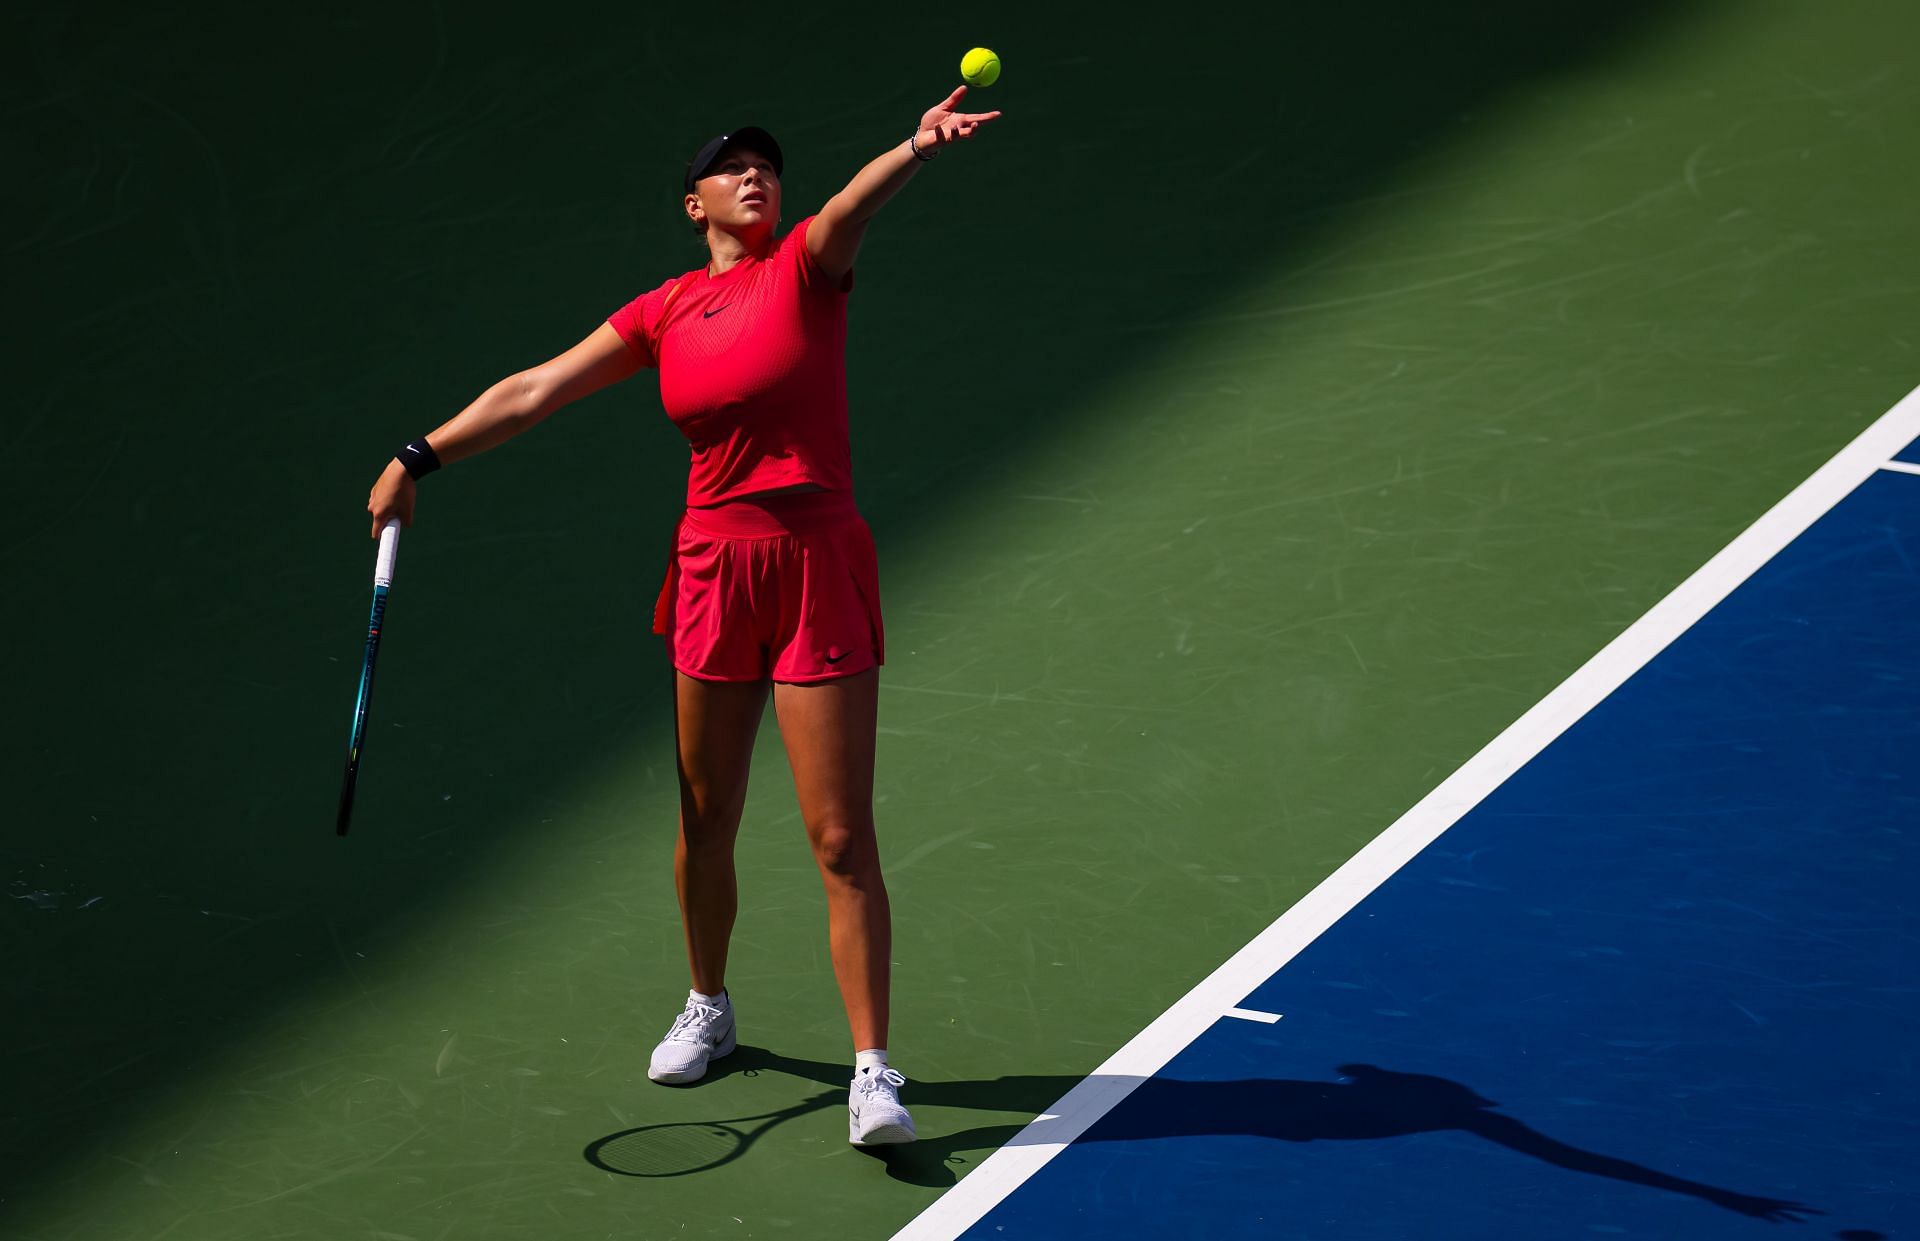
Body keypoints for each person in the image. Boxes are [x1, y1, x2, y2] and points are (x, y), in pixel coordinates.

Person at [365, 87, 1001, 1147]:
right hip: (714, 570)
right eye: (732, 165)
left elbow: (851, 206)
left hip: (814, 565)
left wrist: (915, 149)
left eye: (767, 163)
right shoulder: (663, 312)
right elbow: (534, 390)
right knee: (706, 814)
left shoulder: (807, 264)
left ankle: (873, 1068)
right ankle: (709, 1004)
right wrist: (415, 453)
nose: (757, 174)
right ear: (693, 201)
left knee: (841, 836)